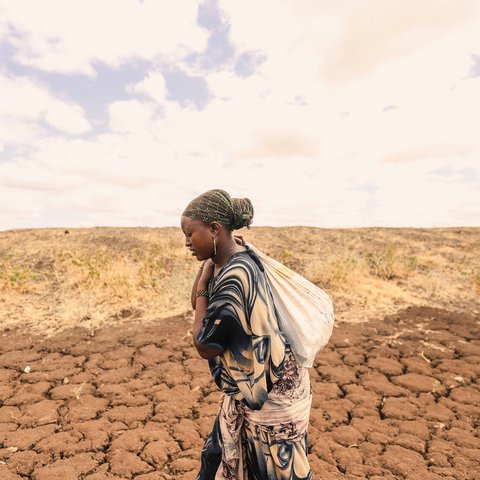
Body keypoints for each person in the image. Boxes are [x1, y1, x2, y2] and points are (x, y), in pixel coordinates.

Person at [181, 189, 312, 480]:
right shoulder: (231, 260)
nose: (187, 242)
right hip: (253, 387)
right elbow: (198, 302)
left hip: (270, 395)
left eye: (190, 234)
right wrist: (207, 268)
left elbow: (204, 343)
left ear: (214, 229)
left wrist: (205, 279)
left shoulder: (237, 275)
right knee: (215, 458)